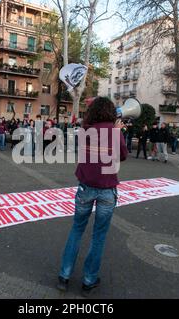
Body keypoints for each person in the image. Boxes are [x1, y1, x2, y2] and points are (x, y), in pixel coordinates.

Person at [57, 97, 128, 297]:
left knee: (76, 230)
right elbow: (122, 155)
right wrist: (116, 132)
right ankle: (88, 281)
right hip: (107, 189)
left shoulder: (85, 129)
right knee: (99, 236)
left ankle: (64, 275)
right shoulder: (113, 131)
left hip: (85, 187)